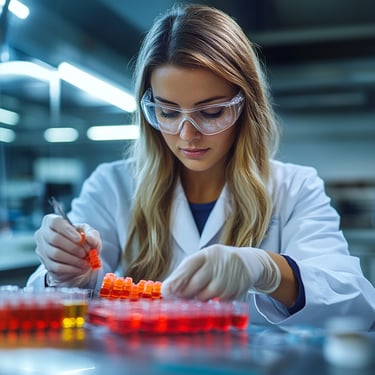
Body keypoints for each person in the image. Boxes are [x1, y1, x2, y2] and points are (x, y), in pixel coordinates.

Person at [27, 4, 375, 328]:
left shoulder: (294, 188)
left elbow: (357, 302)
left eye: (211, 112)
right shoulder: (112, 186)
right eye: (167, 112)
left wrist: (266, 269)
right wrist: (65, 272)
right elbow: (42, 306)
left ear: (245, 107)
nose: (187, 134)